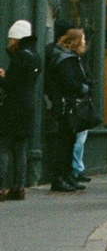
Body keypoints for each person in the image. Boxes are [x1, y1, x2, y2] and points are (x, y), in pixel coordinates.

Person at [0, 21, 41, 201]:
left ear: (16, 39)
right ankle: (19, 186)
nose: (8, 43)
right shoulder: (35, 56)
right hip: (28, 105)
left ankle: (1, 187)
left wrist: (1, 76)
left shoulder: (19, 57)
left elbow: (10, 84)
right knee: (21, 149)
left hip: (13, 106)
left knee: (3, 146)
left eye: (10, 39)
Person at [47, 27, 90, 192]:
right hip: (66, 105)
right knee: (65, 142)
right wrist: (84, 88)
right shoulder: (66, 59)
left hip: (66, 104)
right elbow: (69, 82)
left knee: (70, 141)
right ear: (76, 41)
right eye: (83, 40)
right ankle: (60, 177)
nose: (85, 43)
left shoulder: (68, 57)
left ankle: (67, 176)